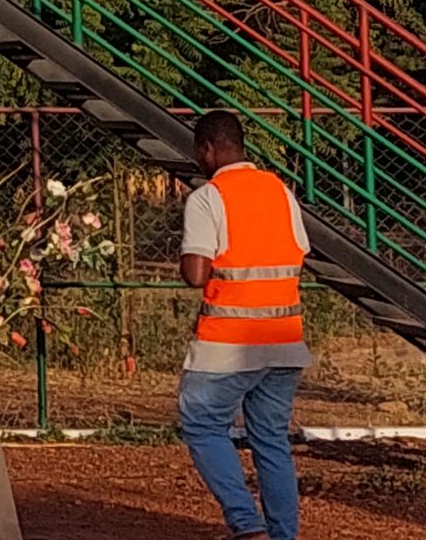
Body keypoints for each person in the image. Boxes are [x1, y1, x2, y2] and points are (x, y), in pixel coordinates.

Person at [176, 110, 312, 540]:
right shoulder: (280, 191)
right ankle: (281, 534)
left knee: (201, 424)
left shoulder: (207, 197)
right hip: (284, 339)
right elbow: (297, 253)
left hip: (228, 342)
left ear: (207, 149)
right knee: (271, 440)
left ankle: (247, 525)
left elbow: (197, 273)